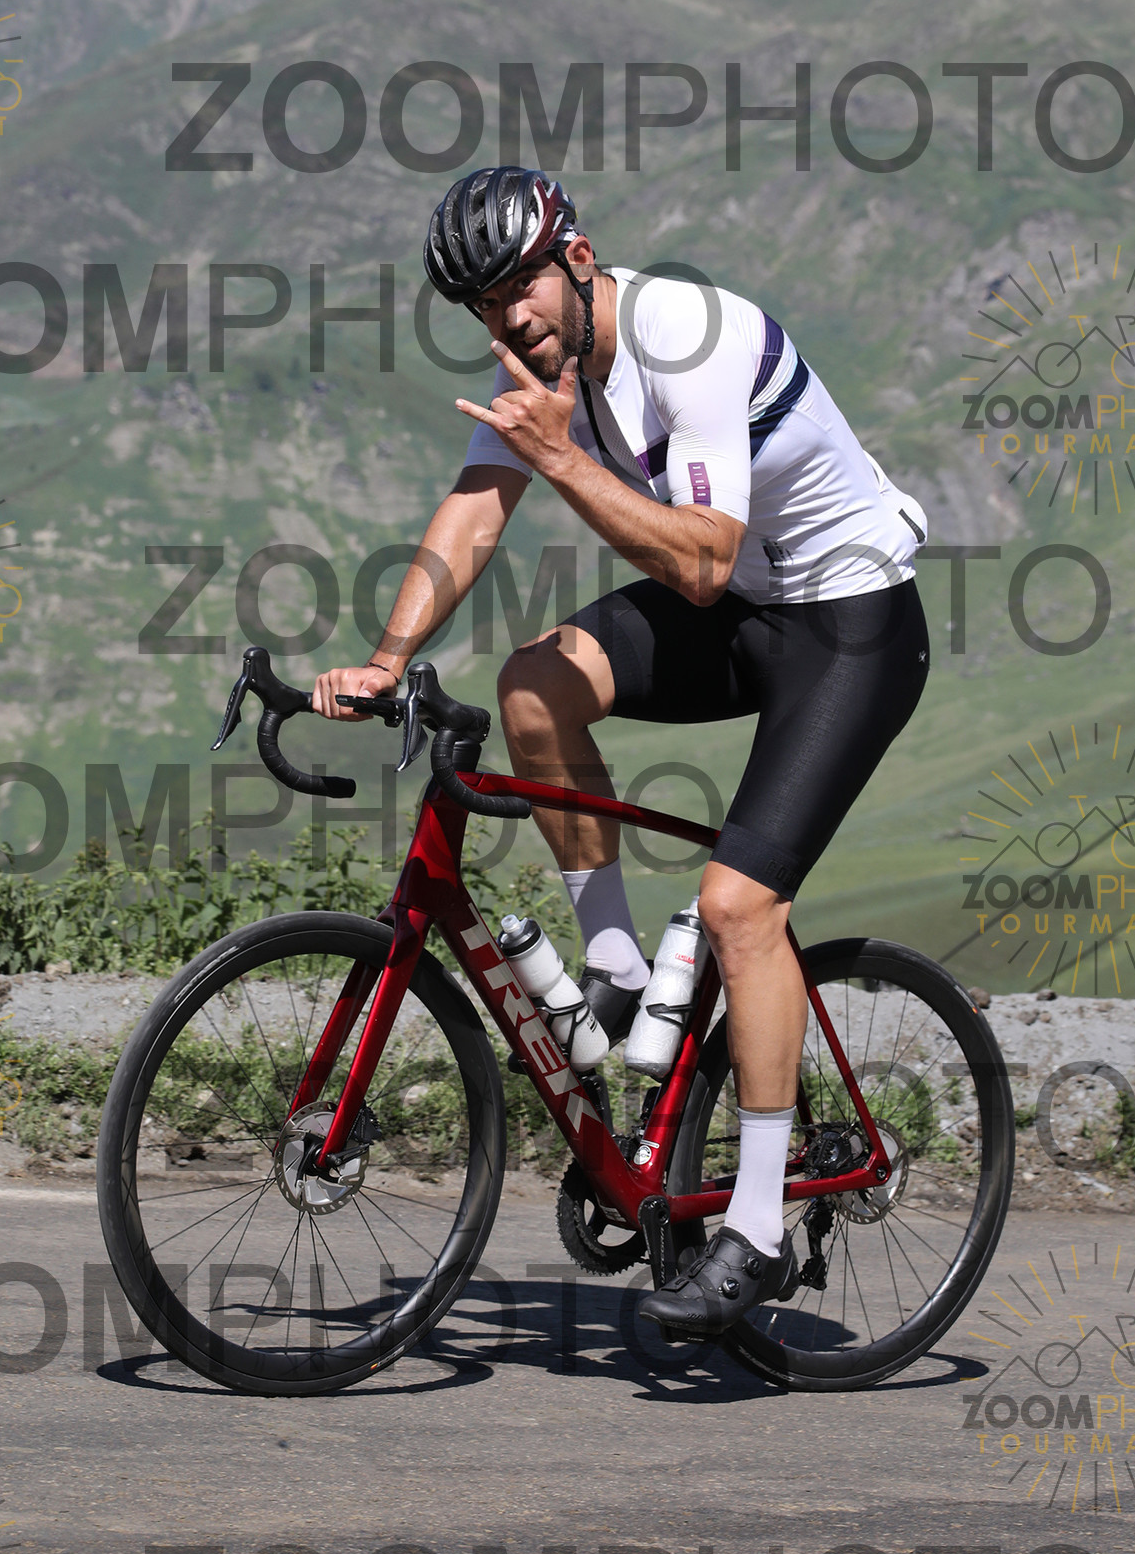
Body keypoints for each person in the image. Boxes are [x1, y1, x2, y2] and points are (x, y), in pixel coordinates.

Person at [313, 166, 930, 1337]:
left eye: (521, 289)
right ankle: (619, 966)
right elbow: (476, 506)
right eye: (484, 306)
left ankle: (757, 1225)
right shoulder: (539, 367)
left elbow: (699, 560)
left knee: (740, 906)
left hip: (848, 627)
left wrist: (562, 458)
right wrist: (387, 659)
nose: (509, 320)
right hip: (745, 614)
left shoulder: (688, 337)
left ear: (580, 261)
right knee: (533, 687)